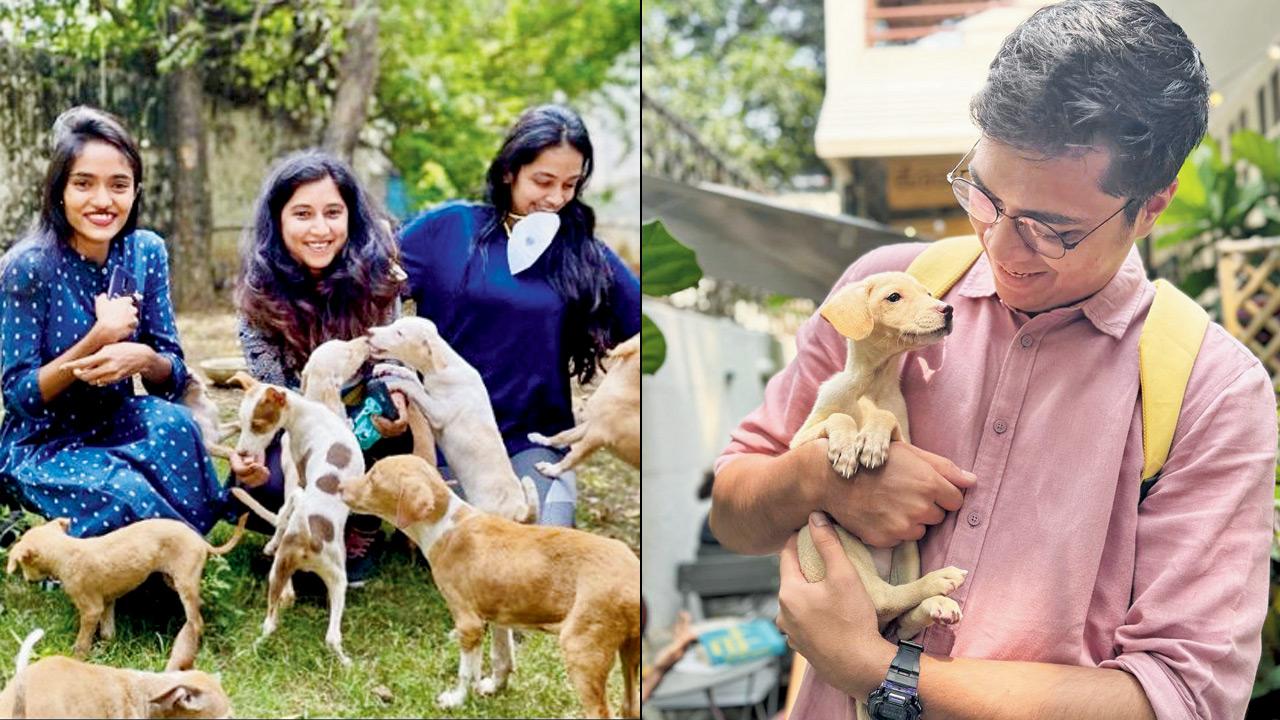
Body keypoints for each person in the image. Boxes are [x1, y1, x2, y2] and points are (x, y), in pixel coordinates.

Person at [710, 2, 1277, 718]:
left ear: (1152, 206)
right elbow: (733, 511)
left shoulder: (1210, 391)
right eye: (984, 194)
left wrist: (876, 669)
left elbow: (1182, 698)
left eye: (1052, 229)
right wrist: (817, 478)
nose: (1002, 249)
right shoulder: (887, 292)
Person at [397, 104, 641, 527]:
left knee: (545, 542)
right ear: (509, 170)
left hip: (534, 443)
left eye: (570, 184)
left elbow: (650, 334)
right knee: (469, 543)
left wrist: (615, 397)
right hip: (448, 439)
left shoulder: (584, 255)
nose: (556, 198)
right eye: (543, 181)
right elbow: (366, 295)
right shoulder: (449, 229)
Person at [0, 106, 229, 538]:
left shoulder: (146, 252)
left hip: (116, 419)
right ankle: (120, 540)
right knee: (123, 493)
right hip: (42, 443)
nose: (103, 201)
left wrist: (142, 358)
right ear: (59, 192)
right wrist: (99, 337)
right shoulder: (28, 266)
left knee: (176, 427)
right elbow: (19, 397)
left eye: (119, 185)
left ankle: (166, 543)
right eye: (84, 184)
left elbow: (171, 375)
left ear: (136, 191)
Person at [230, 149, 413, 585]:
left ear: (352, 216)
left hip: (367, 422)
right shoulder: (258, 295)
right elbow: (276, 398)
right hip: (301, 427)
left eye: (333, 212)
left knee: (389, 404)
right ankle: (313, 523)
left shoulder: (380, 278)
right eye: (303, 214)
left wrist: (400, 403)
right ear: (278, 221)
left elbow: (391, 357)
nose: (320, 228)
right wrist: (254, 455)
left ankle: (361, 524)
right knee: (252, 488)